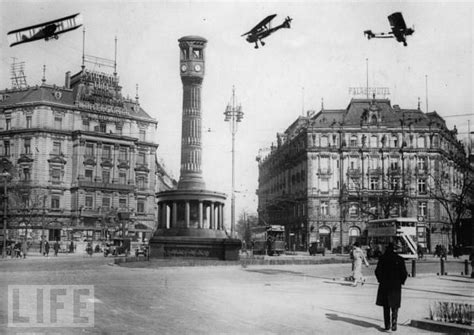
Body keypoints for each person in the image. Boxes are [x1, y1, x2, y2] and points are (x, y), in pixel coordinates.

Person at [375, 242, 408, 332]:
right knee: (395, 305)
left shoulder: (382, 258)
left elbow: (377, 271)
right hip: (395, 285)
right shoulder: (399, 259)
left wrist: (380, 280)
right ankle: (394, 323)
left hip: (384, 285)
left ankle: (387, 325)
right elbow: (404, 273)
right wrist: (401, 281)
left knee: (386, 306)